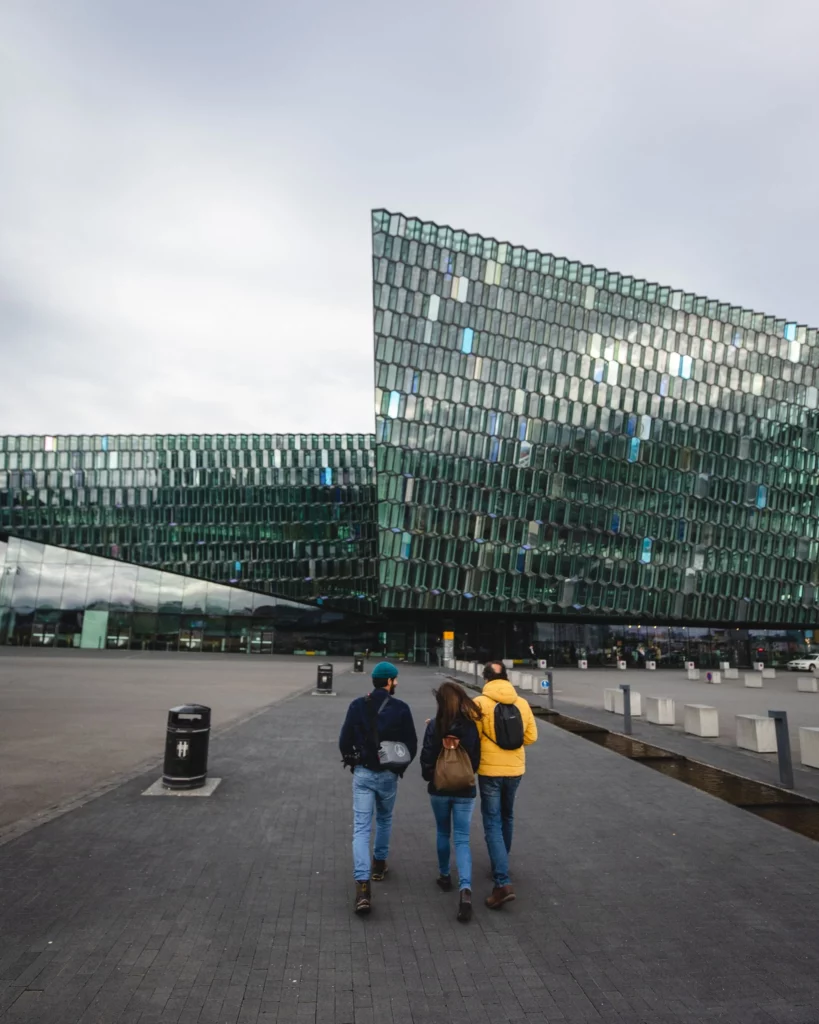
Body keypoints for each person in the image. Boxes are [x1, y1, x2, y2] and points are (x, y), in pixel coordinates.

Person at [338, 661, 417, 915]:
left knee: (361, 828)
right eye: (396, 679)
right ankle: (379, 865)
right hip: (387, 775)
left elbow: (344, 740)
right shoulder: (401, 708)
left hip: (363, 773)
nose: (397, 683)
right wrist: (399, 767)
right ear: (390, 681)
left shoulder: (357, 705)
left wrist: (353, 761)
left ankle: (362, 886)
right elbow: (411, 744)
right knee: (384, 819)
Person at [473, 661, 538, 909]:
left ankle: (501, 879)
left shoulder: (479, 703)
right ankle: (500, 865)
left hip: (489, 770)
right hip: (515, 769)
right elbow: (531, 737)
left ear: (485, 679)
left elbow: (474, 737)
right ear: (507, 677)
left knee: (491, 821)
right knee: (507, 816)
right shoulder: (521, 703)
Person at [419, 681, 482, 923]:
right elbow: (475, 758)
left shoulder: (435, 726)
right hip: (465, 789)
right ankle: (465, 889)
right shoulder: (470, 727)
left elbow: (427, 756)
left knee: (443, 832)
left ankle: (445, 875)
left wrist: (431, 777)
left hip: (440, 789)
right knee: (463, 839)